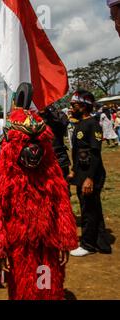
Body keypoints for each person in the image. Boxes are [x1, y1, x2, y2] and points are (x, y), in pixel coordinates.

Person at [0, 107, 78, 300]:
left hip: (48, 244)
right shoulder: (1, 173)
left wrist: (65, 240)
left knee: (47, 286)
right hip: (18, 247)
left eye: (37, 142)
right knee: (23, 289)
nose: (33, 149)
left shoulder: (51, 169)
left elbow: (62, 206)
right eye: (27, 142)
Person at [68, 90, 112, 256]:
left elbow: (94, 154)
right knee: (93, 208)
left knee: (88, 210)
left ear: (84, 106)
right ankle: (102, 243)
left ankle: (88, 245)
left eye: (74, 105)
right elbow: (79, 152)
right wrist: (74, 171)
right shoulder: (80, 123)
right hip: (82, 173)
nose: (71, 108)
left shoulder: (92, 124)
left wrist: (89, 178)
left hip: (91, 175)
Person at [39, 105, 71, 177]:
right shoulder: (35, 117)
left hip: (59, 157)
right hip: (43, 160)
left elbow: (64, 122)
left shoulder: (57, 114)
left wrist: (48, 111)